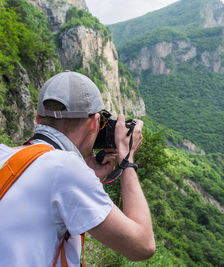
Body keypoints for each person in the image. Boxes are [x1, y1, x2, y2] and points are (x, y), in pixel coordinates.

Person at [0, 71, 155, 266]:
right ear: (94, 123)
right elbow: (142, 245)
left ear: (38, 119)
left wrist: (86, 172)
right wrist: (127, 159)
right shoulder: (65, 169)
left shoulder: (5, 154)